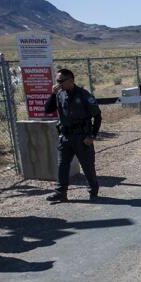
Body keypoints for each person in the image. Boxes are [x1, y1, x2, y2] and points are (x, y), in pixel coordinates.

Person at [44, 68, 102, 203]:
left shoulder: (83, 95)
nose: (58, 84)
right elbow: (48, 109)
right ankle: (61, 193)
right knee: (62, 166)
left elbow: (97, 116)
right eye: (57, 81)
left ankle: (93, 191)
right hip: (65, 137)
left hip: (82, 137)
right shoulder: (59, 94)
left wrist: (92, 135)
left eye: (61, 81)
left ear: (70, 80)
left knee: (87, 166)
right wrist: (53, 94)